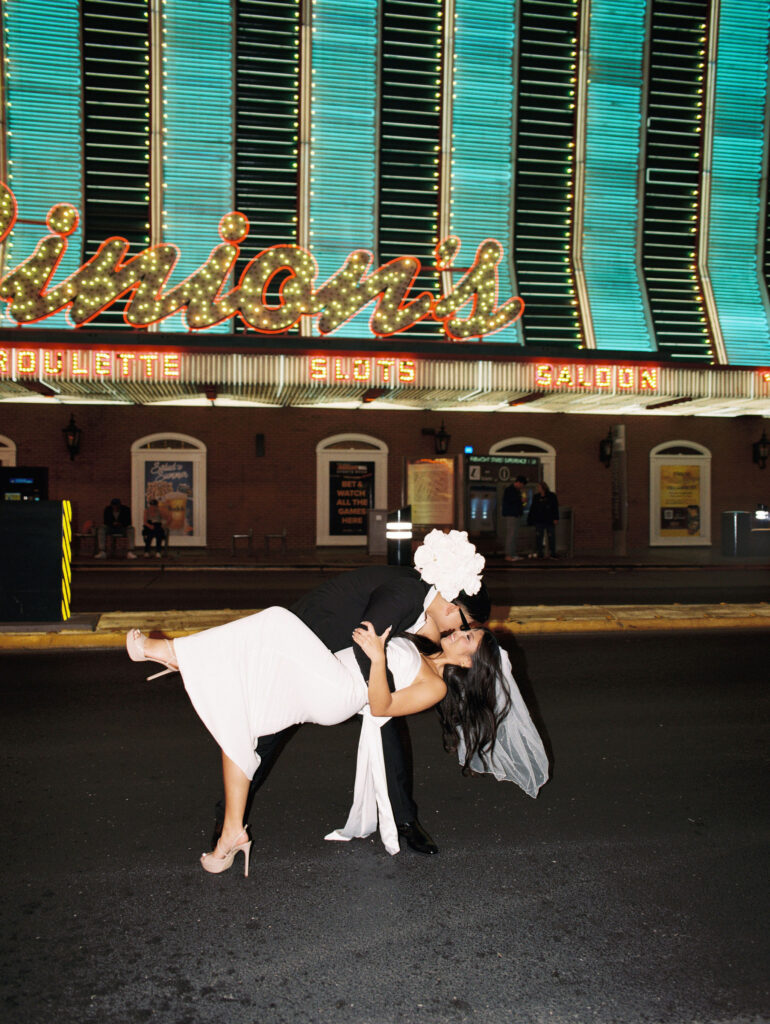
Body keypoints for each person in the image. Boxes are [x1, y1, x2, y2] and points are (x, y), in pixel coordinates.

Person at [126, 612, 508, 876]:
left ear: (473, 664)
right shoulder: (424, 646)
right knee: (240, 725)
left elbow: (382, 705)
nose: (458, 632)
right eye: (464, 628)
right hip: (328, 669)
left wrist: (377, 658)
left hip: (339, 690)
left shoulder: (436, 686)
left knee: (276, 621)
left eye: (468, 637)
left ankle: (175, 653)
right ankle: (230, 836)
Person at [528, 481, 559, 559]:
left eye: (539, 487)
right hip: (539, 520)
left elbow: (555, 508)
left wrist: (556, 518)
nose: (538, 489)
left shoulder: (551, 496)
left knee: (551, 537)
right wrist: (531, 519)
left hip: (549, 519)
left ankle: (552, 552)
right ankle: (540, 552)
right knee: (539, 537)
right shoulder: (536, 497)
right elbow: (533, 508)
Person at [501, 475, 528, 562]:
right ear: (519, 483)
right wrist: (521, 500)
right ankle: (509, 554)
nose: (522, 487)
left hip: (515, 515)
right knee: (511, 535)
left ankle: (513, 554)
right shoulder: (510, 490)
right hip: (512, 515)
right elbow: (511, 501)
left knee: (514, 535)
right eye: (522, 485)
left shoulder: (515, 491)